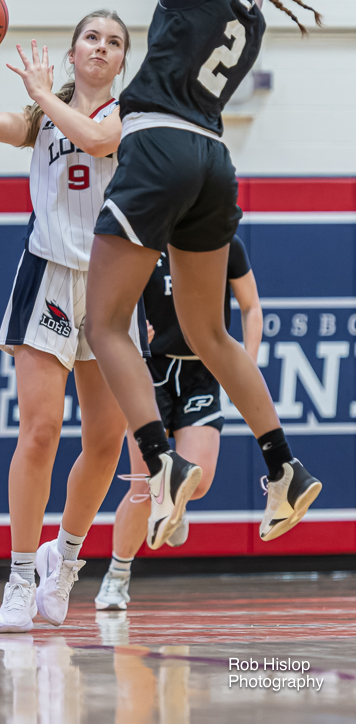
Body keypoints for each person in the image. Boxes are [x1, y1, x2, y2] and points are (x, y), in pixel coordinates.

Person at [21, 0, 322, 551]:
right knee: (208, 332)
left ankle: (161, 462)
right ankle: (283, 465)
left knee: (105, 324)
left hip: (157, 150)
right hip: (215, 165)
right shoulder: (250, 13)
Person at [0, 11, 148, 633]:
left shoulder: (131, 112)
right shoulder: (41, 118)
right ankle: (20, 576)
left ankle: (67, 561)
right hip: (50, 274)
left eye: (114, 42)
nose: (101, 47)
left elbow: (99, 142)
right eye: (91, 37)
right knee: (40, 432)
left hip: (111, 282)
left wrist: (41, 96)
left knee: (106, 442)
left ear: (122, 60)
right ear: (73, 50)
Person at [95, 235, 262, 610]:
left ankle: (176, 502)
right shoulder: (143, 241)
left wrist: (245, 367)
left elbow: (251, 306)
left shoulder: (224, 243)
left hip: (200, 373)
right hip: (148, 370)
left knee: (197, 482)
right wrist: (131, 328)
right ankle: (117, 576)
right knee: (144, 486)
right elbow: (112, 305)